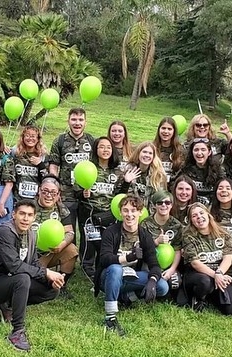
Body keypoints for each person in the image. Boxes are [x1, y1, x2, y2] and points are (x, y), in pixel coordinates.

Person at [0, 199, 65, 352]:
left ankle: (8, 304)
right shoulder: (4, 232)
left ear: (34, 218)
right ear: (14, 215)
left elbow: (34, 263)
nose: (25, 218)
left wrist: (49, 279)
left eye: (29, 215)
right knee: (22, 279)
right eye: (22, 214)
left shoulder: (31, 234)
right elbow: (15, 266)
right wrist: (47, 272)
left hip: (10, 281)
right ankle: (17, 332)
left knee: (51, 290)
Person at [94, 195, 169, 336]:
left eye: (133, 210)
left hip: (130, 277)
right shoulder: (111, 231)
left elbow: (154, 264)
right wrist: (128, 257)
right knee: (116, 268)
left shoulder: (144, 235)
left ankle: (127, 297)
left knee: (162, 287)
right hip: (109, 277)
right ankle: (110, 317)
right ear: (120, 212)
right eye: (125, 210)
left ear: (140, 212)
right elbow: (104, 259)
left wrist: (152, 280)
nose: (129, 215)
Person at [78, 137, 134, 280]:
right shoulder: (88, 167)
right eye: (101, 147)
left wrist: (126, 183)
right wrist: (83, 193)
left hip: (109, 214)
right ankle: (87, 269)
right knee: (89, 243)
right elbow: (75, 191)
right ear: (96, 150)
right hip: (89, 212)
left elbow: (119, 196)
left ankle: (101, 270)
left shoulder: (117, 171)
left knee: (105, 244)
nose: (105, 150)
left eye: (108, 147)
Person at [48, 108, 95, 270]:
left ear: (85, 122)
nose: (77, 123)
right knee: (69, 231)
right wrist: (55, 187)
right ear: (68, 121)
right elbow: (53, 166)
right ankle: (69, 262)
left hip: (87, 194)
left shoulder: (92, 141)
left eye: (80, 120)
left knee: (87, 229)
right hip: (66, 195)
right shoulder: (59, 141)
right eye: (74, 119)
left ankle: (87, 263)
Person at [181, 202, 232, 317]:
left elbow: (228, 258)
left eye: (201, 213)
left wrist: (219, 273)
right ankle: (198, 298)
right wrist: (216, 275)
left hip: (219, 273)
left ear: (208, 215)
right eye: (194, 216)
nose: (199, 217)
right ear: (191, 221)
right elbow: (195, 263)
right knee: (205, 282)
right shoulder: (188, 236)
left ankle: (211, 297)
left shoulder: (223, 234)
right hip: (197, 275)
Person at [33, 176, 78, 298]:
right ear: (39, 191)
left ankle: (61, 284)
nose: (49, 195)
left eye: (53, 193)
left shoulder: (60, 208)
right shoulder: (29, 206)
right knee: (37, 285)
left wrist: (62, 244)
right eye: (45, 191)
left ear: (58, 195)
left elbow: (70, 232)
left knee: (72, 250)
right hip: (32, 254)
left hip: (52, 250)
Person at [141, 191, 185, 303]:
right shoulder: (145, 224)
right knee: (149, 280)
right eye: (160, 202)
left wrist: (171, 269)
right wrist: (156, 242)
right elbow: (141, 248)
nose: (164, 205)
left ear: (171, 205)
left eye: (167, 202)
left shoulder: (177, 225)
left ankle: (164, 294)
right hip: (149, 263)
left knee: (175, 283)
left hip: (169, 264)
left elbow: (177, 250)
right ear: (155, 205)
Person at [181, 138, 226, 206]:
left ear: (209, 152)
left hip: (212, 207)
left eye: (203, 150)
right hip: (191, 207)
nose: (199, 153)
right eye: (196, 150)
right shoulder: (185, 169)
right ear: (192, 152)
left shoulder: (218, 170)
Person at [11, 125, 48, 202]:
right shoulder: (15, 152)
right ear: (23, 138)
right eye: (27, 135)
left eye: (33, 136)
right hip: (17, 197)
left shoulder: (43, 155)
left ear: (38, 139)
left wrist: (40, 164)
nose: (30, 138)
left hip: (36, 198)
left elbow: (47, 179)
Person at [152, 117, 185, 184]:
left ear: (174, 131)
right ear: (159, 130)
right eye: (163, 128)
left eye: (169, 129)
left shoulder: (181, 150)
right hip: (155, 185)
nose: (166, 131)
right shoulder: (152, 148)